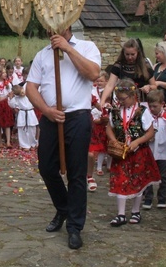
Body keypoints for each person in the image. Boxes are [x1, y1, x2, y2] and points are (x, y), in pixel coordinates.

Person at [25, 27, 101, 250]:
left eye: (56, 25)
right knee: (47, 168)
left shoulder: (87, 48)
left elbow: (93, 73)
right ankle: (64, 208)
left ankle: (75, 227)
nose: (51, 30)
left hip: (78, 117)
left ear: (67, 25)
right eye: (48, 26)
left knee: (77, 173)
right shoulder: (42, 54)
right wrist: (46, 110)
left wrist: (67, 49)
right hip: (51, 118)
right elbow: (31, 88)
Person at [106, 79, 161, 227]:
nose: (121, 102)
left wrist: (137, 142)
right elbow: (109, 128)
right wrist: (114, 141)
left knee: (138, 180)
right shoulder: (116, 111)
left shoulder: (142, 112)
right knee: (120, 180)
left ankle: (136, 211)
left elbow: (150, 132)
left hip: (138, 153)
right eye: (118, 99)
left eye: (123, 99)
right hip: (121, 154)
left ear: (132, 96)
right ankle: (121, 214)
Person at [142, 89, 166, 209]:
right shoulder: (146, 117)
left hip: (163, 151)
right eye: (150, 106)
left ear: (162, 104)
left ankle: (162, 198)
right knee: (148, 175)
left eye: (155, 106)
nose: (152, 109)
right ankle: (147, 198)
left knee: (162, 176)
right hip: (149, 150)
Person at [99, 38, 155, 106]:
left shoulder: (145, 66)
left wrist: (149, 87)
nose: (130, 57)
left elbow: (154, 86)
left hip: (142, 102)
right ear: (123, 53)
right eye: (127, 54)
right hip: (124, 102)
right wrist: (102, 100)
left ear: (138, 53)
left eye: (132, 54)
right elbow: (110, 85)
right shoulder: (118, 66)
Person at [87, 75, 109, 192]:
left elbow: (98, 106)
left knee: (90, 154)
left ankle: (89, 176)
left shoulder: (90, 93)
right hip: (71, 120)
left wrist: (104, 110)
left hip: (86, 122)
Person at [8, 83, 38, 150]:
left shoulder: (29, 95)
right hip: (22, 113)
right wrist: (11, 97)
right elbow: (12, 105)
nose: (22, 94)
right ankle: (24, 145)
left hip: (30, 113)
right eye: (20, 94)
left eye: (22, 92)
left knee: (32, 129)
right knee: (22, 130)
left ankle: (32, 144)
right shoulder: (16, 98)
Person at [0, 68, 13, 148]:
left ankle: (8, 141)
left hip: (6, 104)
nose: (5, 74)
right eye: (3, 73)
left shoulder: (8, 83)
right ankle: (0, 141)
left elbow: (11, 93)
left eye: (5, 72)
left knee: (7, 124)